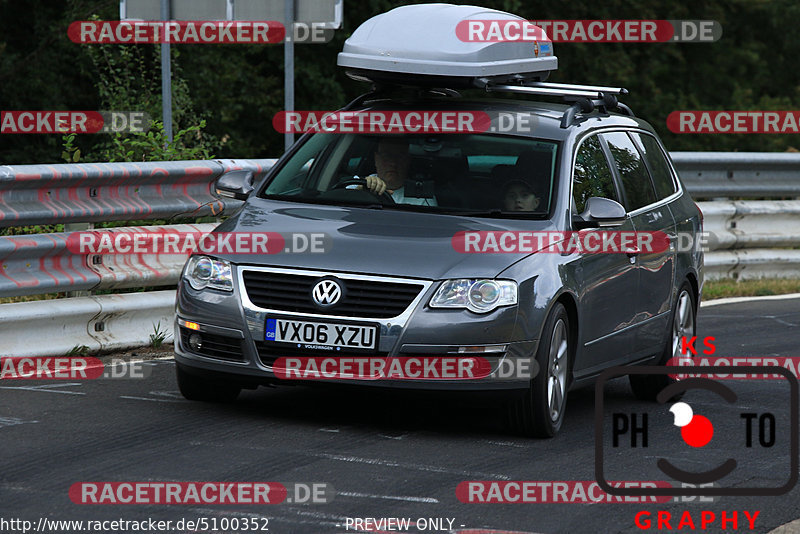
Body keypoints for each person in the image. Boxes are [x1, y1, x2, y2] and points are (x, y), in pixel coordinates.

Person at [360, 138, 437, 206]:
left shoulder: (422, 198)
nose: (393, 163)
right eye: (386, 156)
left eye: (400, 157)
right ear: (376, 159)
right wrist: (361, 192)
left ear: (408, 160)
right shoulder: (358, 184)